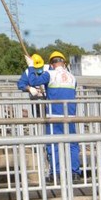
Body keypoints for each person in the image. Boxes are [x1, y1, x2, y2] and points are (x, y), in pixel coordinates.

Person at [23, 50, 82, 180]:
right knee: (72, 144)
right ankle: (75, 173)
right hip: (71, 116)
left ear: (51, 64)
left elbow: (32, 81)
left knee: (54, 144)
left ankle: (56, 173)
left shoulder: (49, 74)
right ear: (64, 63)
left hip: (54, 116)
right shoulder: (73, 78)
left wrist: (31, 66)